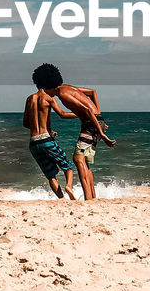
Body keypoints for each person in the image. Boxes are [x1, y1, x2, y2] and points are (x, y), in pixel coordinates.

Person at [30, 64, 116, 201]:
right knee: (84, 160)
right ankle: (92, 197)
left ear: (46, 85)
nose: (45, 93)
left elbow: (87, 111)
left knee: (78, 159)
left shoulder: (63, 95)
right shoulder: (68, 88)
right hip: (95, 121)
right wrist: (99, 116)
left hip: (91, 123)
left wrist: (102, 133)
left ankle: (88, 199)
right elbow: (92, 92)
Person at [22, 79, 76, 199]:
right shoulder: (48, 98)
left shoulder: (30, 99)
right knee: (68, 167)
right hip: (46, 140)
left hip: (33, 143)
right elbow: (62, 114)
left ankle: (62, 199)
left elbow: (25, 123)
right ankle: (68, 187)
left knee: (50, 175)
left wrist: (40, 127)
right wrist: (82, 114)